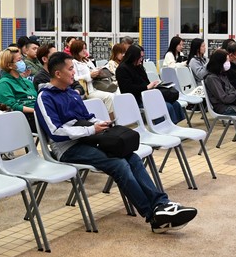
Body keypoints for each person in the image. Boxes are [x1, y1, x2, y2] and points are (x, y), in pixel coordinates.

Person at [36, 52, 197, 234]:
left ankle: (161, 203)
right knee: (118, 164)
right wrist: (91, 130)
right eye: (71, 69)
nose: (74, 72)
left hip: (88, 139)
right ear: (58, 74)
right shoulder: (45, 97)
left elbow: (87, 117)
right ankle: (153, 216)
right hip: (67, 148)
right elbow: (56, 132)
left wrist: (100, 123)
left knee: (132, 157)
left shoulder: (71, 93)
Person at [116, 44, 185, 124]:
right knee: (166, 106)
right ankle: (164, 127)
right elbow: (127, 89)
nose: (141, 59)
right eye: (140, 57)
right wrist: (146, 87)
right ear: (133, 56)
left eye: (142, 57)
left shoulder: (139, 67)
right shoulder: (122, 69)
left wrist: (153, 85)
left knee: (175, 104)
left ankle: (173, 125)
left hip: (146, 95)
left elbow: (146, 82)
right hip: (135, 99)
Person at [0, 48, 38, 131]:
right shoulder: (4, 84)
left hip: (36, 114)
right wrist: (35, 111)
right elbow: (11, 107)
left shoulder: (26, 81)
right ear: (9, 65)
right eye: (19, 60)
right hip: (23, 118)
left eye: (22, 59)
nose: (22, 62)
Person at [70, 39, 115, 113]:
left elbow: (93, 70)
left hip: (95, 86)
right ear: (76, 50)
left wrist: (98, 71)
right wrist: (89, 76)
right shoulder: (73, 63)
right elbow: (74, 78)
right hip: (87, 91)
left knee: (116, 93)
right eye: (82, 49)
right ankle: (110, 117)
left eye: (85, 48)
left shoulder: (87, 61)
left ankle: (111, 115)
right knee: (109, 97)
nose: (85, 51)